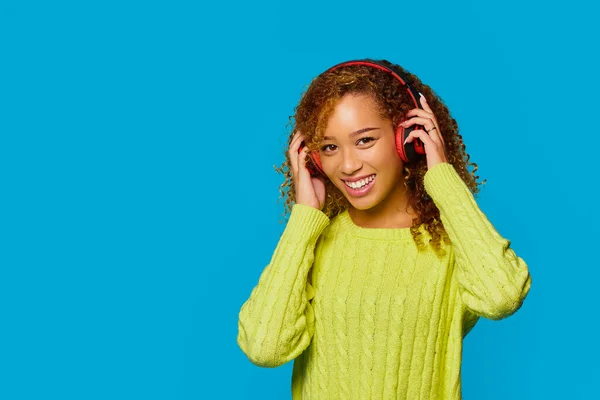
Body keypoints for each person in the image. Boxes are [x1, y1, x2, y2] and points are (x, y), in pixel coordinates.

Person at [236, 58, 532, 399]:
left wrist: (443, 180)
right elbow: (264, 347)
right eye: (330, 147)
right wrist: (303, 219)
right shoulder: (314, 242)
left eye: (364, 140)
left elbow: (502, 297)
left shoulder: (452, 241)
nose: (348, 165)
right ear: (313, 157)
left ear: (408, 138)